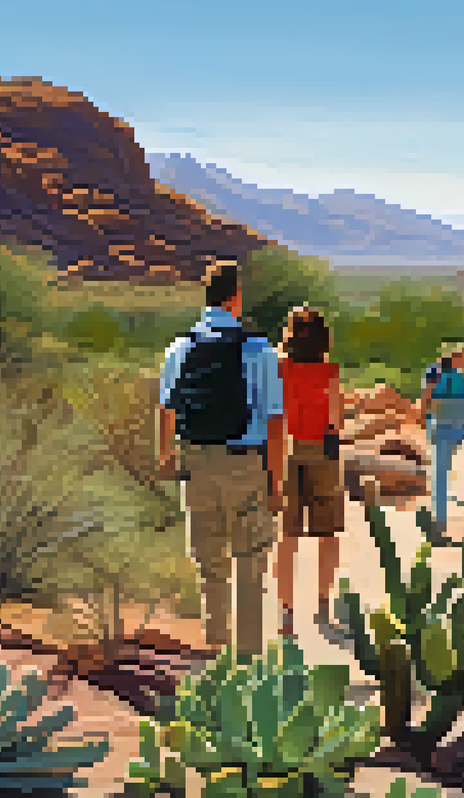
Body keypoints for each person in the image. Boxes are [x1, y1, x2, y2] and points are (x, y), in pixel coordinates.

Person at [157, 259, 285, 662]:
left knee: (209, 558)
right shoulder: (258, 349)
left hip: (195, 461)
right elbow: (275, 418)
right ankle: (247, 656)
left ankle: (216, 644)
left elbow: (166, 409)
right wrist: (276, 482)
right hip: (244, 463)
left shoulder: (179, 347)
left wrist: (166, 456)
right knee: (250, 558)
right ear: (236, 297)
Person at [271, 306, 344, 638]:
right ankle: (323, 604)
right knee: (327, 532)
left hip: (286, 450)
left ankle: (286, 611)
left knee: (287, 535)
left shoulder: (278, 367)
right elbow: (336, 421)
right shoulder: (329, 371)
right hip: (323, 453)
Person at [420, 341, 464, 534]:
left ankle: (441, 517)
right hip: (446, 425)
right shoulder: (438, 373)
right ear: (453, 355)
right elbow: (428, 397)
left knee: (443, 472)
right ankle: (440, 519)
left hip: (455, 426)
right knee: (441, 473)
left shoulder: (462, 374)